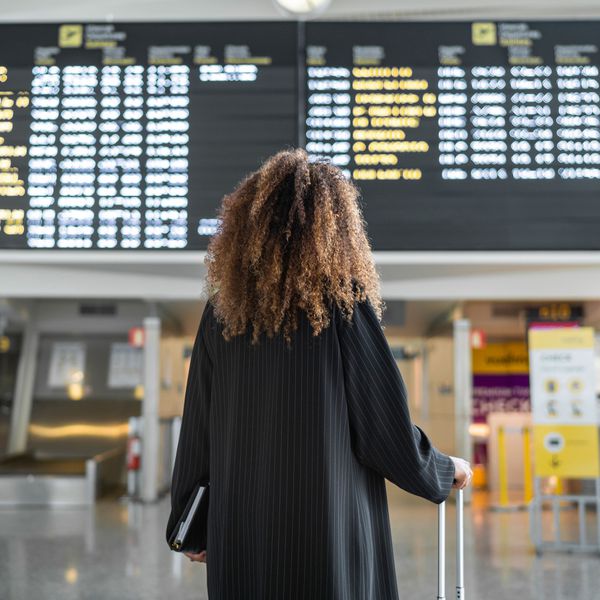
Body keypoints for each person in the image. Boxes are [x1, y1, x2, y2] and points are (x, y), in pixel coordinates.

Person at [166, 148, 472, 600]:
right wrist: (444, 470)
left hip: (242, 534)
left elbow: (198, 427)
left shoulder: (222, 313)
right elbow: (383, 431)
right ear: (338, 231)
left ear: (249, 230)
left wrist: (189, 523)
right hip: (329, 531)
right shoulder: (342, 306)